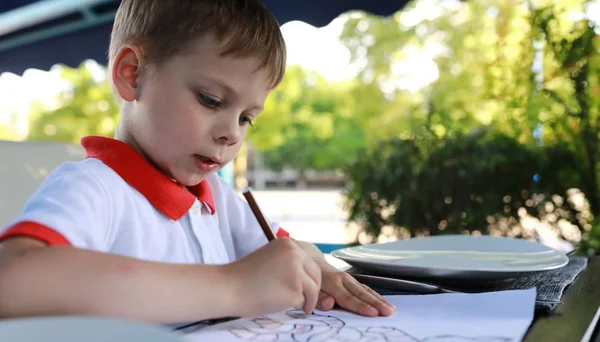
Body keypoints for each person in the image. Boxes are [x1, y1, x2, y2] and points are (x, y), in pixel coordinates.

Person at [0, 0, 395, 325]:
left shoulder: (218, 200)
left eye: (246, 118)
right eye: (211, 100)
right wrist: (231, 286)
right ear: (132, 73)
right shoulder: (95, 187)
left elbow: (282, 255)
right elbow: (11, 279)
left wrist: (311, 265)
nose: (232, 134)